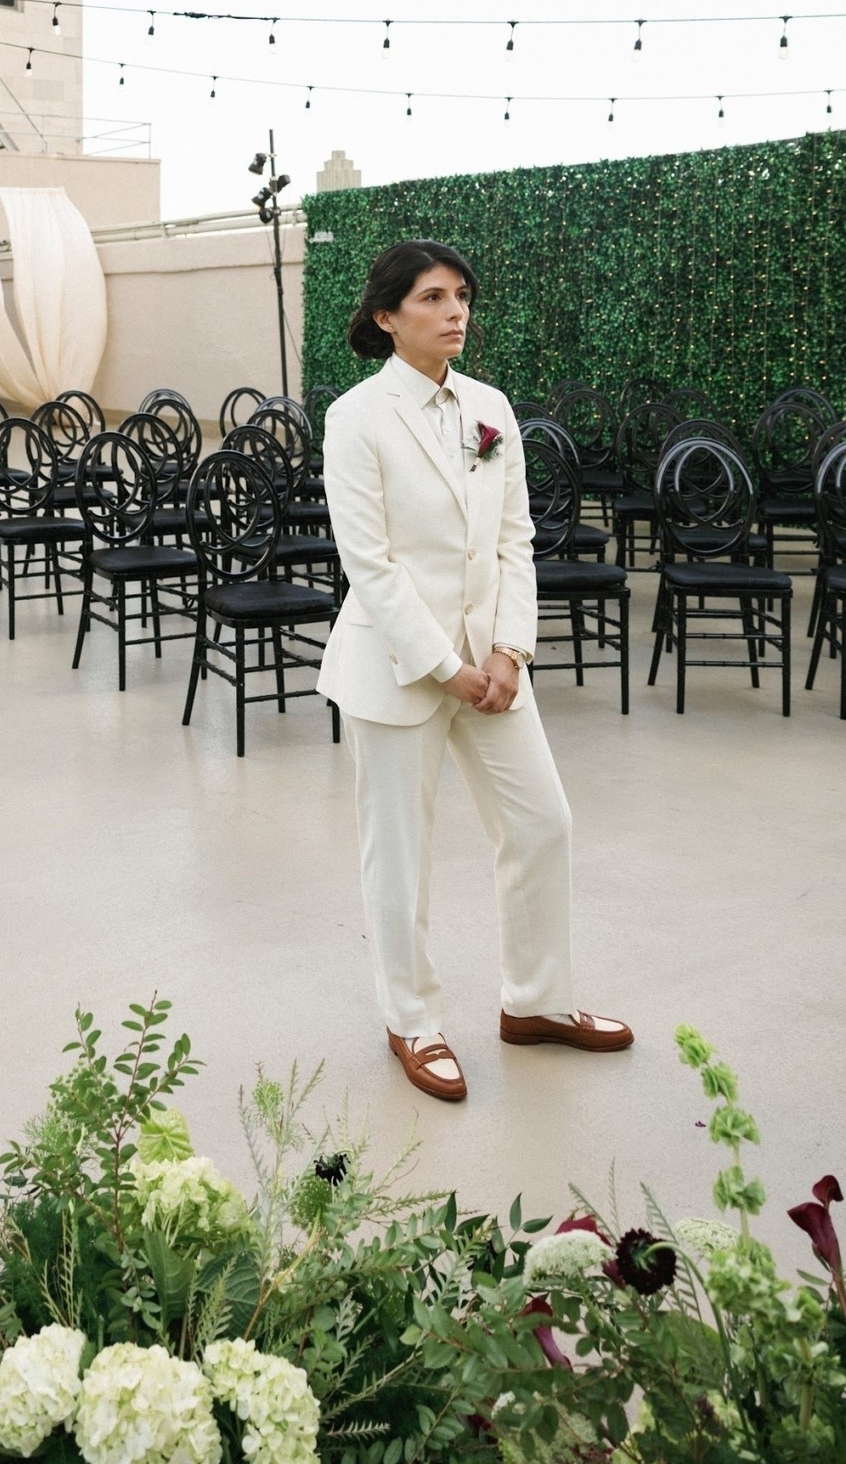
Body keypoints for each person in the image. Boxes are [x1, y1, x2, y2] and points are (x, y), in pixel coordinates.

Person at [318, 241, 631, 1102]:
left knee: (542, 823)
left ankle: (537, 1002)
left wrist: (509, 650)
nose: (455, 310)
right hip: (397, 668)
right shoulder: (356, 417)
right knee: (401, 856)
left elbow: (514, 540)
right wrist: (445, 665)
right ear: (387, 317)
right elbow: (369, 564)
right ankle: (412, 1023)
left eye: (461, 295)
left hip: (494, 665)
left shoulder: (490, 408)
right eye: (432, 297)